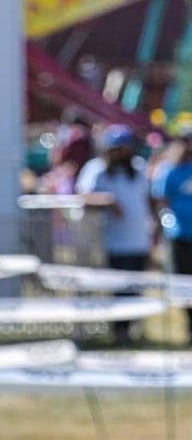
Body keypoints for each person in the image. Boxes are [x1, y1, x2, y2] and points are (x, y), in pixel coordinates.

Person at [76, 124, 153, 345]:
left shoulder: (138, 169)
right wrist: (108, 200)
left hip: (139, 241)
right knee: (119, 289)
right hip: (113, 243)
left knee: (136, 290)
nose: (123, 153)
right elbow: (84, 195)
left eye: (126, 148)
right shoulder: (97, 169)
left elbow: (147, 200)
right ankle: (119, 333)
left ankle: (131, 332)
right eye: (118, 149)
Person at [151, 122, 192, 342]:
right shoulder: (169, 169)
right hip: (180, 235)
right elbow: (161, 200)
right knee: (184, 284)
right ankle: (190, 326)